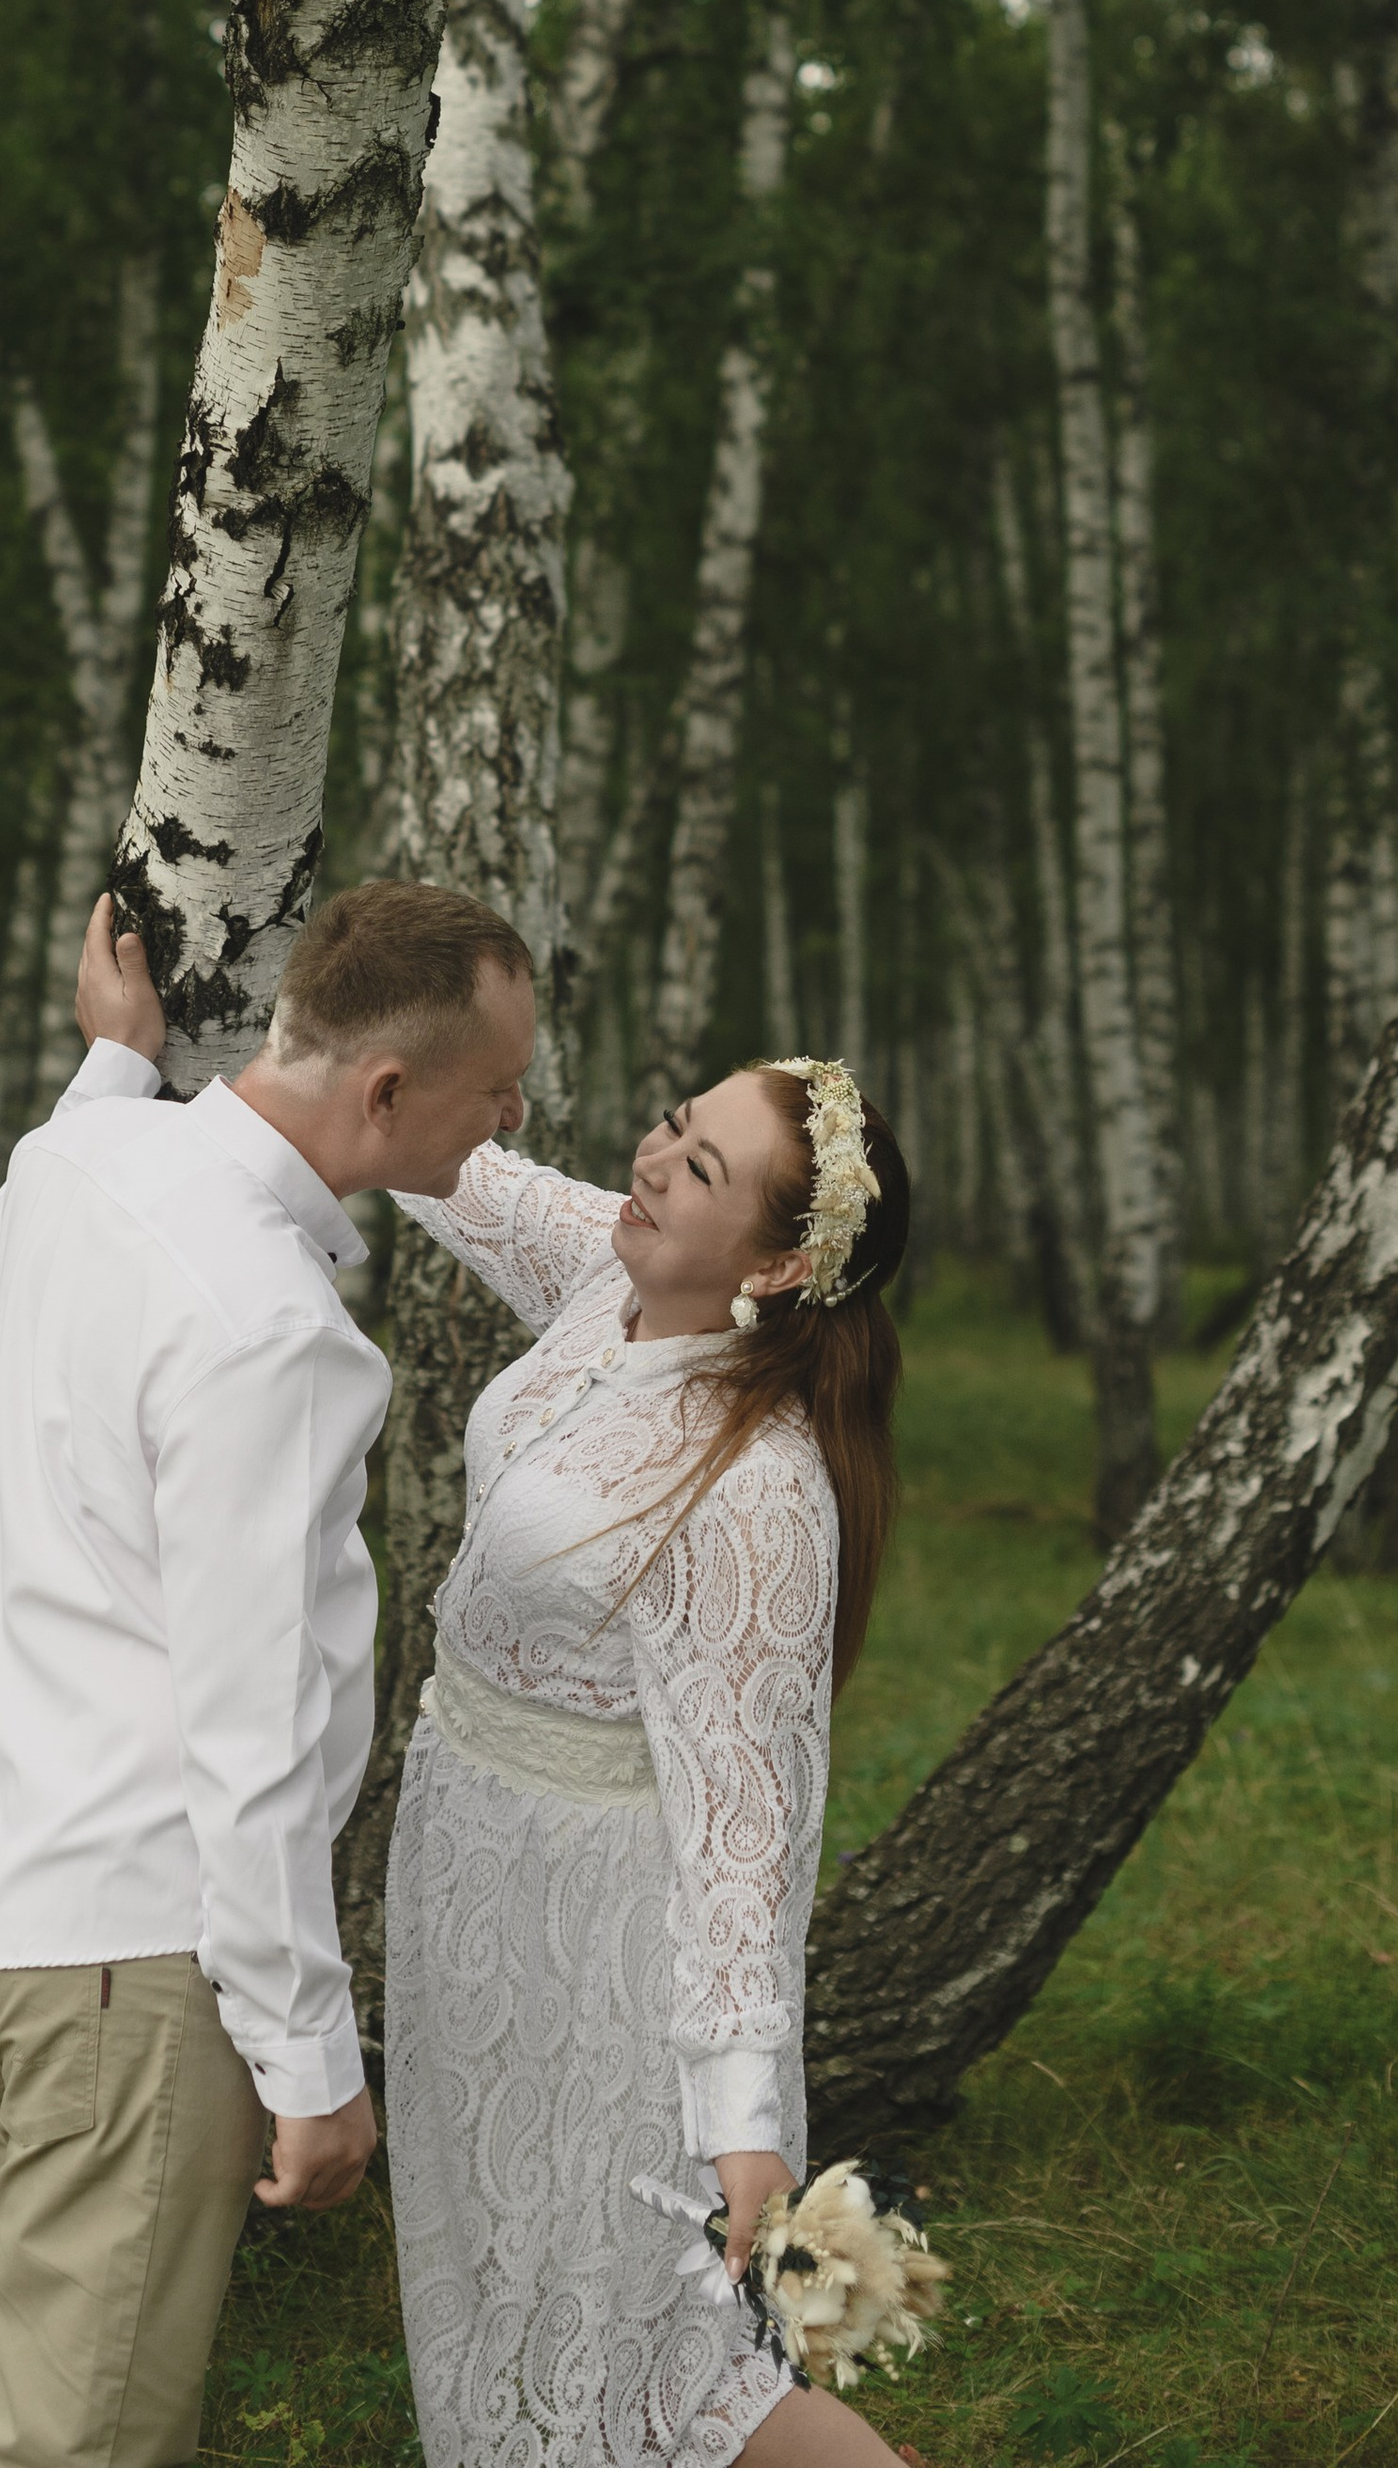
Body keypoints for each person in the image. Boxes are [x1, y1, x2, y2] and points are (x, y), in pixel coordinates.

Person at [0, 877, 537, 2468]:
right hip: (134, 1951)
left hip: (10, 1910)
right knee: (68, 2438)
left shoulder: (90, 1153)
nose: (512, 1120)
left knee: (31, 2391)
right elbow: (252, 1734)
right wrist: (312, 2063)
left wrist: (108, 1070)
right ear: (386, 1092)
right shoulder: (269, 1332)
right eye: (499, 1088)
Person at [384, 1056, 919, 2468]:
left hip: (605, 1927)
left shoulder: (761, 1490)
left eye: (702, 1170)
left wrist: (745, 2119)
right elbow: (443, 1163)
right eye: (673, 1127)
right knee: (495, 2279)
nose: (654, 1162)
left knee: (654, 2351)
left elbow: (749, 1826)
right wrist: (222, 1054)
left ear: (783, 1261)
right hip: (468, 1872)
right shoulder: (609, 1270)